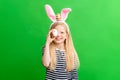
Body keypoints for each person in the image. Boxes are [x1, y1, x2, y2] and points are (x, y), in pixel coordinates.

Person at [42, 4, 80, 80]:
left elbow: (74, 74)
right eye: (56, 32)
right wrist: (47, 42)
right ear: (51, 33)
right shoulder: (47, 48)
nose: (58, 35)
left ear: (67, 35)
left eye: (62, 32)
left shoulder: (70, 51)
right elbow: (46, 64)